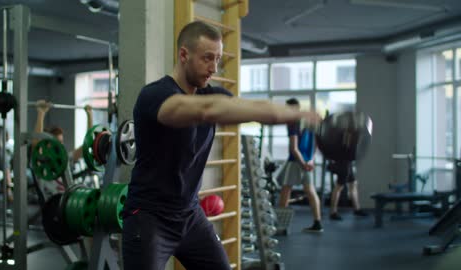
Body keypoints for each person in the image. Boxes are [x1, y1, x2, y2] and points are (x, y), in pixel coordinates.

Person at [122, 21, 320, 270]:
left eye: (217, 59)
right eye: (207, 58)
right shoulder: (155, 96)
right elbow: (205, 111)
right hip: (150, 218)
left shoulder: (208, 94)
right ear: (184, 54)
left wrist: (297, 113)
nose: (214, 68)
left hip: (190, 216)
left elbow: (254, 108)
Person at [276, 98, 323, 233]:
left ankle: (281, 226)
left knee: (285, 191)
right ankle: (317, 223)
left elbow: (294, 148)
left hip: (296, 161)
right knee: (310, 192)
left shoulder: (293, 123)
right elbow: (315, 145)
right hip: (307, 162)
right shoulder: (308, 122)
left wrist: (302, 163)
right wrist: (310, 161)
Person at [32, 100, 93, 198]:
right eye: (57, 142)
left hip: (67, 203)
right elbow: (35, 142)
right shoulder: (42, 161)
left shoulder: (64, 159)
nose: (61, 145)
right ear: (47, 145)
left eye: (61, 142)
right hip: (52, 204)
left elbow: (87, 145)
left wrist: (89, 115)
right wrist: (41, 113)